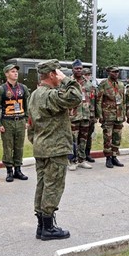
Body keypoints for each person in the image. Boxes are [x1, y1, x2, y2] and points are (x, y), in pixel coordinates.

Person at [28, 59, 82, 241]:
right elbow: (76, 96)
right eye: (57, 72)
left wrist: (36, 141)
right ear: (51, 74)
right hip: (54, 148)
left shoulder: (34, 94)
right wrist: (67, 80)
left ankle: (41, 226)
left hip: (41, 147)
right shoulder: (50, 95)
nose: (60, 75)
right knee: (53, 186)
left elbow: (31, 125)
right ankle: (48, 228)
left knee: (42, 185)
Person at [0, 63, 30, 182]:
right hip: (7, 121)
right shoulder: (1, 90)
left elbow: (27, 105)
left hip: (19, 121)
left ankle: (18, 170)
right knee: (8, 147)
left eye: (16, 71)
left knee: (19, 147)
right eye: (12, 71)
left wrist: (27, 119)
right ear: (7, 74)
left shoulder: (23, 88)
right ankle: (9, 171)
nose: (15, 73)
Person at [96, 66, 126, 168]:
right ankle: (108, 158)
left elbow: (123, 101)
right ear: (109, 72)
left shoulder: (121, 84)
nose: (116, 73)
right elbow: (99, 100)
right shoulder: (104, 84)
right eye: (114, 72)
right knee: (107, 137)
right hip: (107, 115)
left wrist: (124, 114)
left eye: (117, 72)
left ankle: (114, 156)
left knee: (117, 137)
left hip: (118, 115)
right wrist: (100, 115)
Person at [69, 59, 95, 170]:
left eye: (80, 68)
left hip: (85, 116)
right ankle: (72, 161)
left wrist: (92, 115)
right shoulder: (68, 82)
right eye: (76, 69)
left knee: (83, 139)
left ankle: (82, 159)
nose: (79, 70)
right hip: (73, 116)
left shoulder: (88, 83)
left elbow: (92, 99)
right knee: (72, 140)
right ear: (73, 69)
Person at [82, 67, 97, 163]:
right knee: (82, 136)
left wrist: (96, 115)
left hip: (91, 114)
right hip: (82, 115)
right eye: (86, 75)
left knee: (89, 136)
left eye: (89, 75)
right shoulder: (80, 86)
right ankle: (80, 155)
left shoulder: (92, 87)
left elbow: (95, 102)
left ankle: (87, 153)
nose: (87, 77)